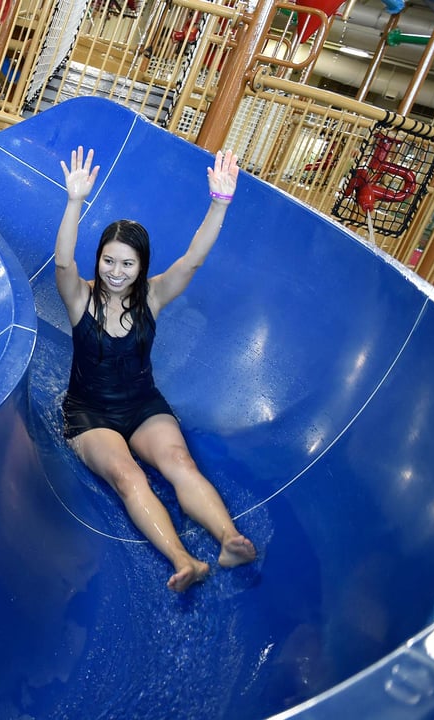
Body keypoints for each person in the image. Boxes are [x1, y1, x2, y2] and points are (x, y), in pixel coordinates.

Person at [55, 146, 256, 592]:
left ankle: (228, 540)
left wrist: (220, 204)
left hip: (144, 405)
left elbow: (193, 260)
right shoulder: (79, 297)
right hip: (89, 414)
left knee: (179, 461)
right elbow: (64, 262)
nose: (115, 271)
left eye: (127, 264)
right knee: (128, 475)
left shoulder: (153, 296)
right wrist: (74, 203)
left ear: (142, 267)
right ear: (99, 260)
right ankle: (183, 560)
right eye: (109, 261)